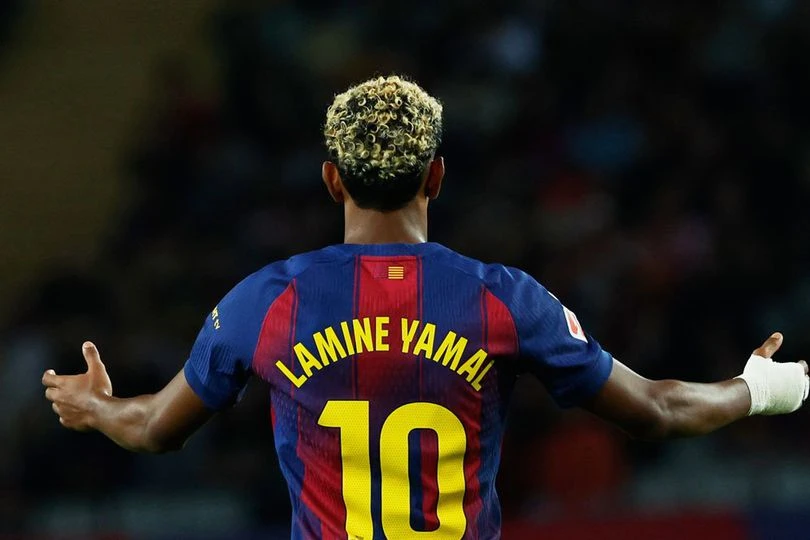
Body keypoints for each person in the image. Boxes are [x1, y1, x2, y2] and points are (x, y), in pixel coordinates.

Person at [42, 76, 809, 540]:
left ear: (332, 180)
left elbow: (155, 429)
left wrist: (95, 406)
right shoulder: (503, 299)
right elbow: (659, 411)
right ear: (437, 176)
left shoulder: (265, 304)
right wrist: (763, 389)